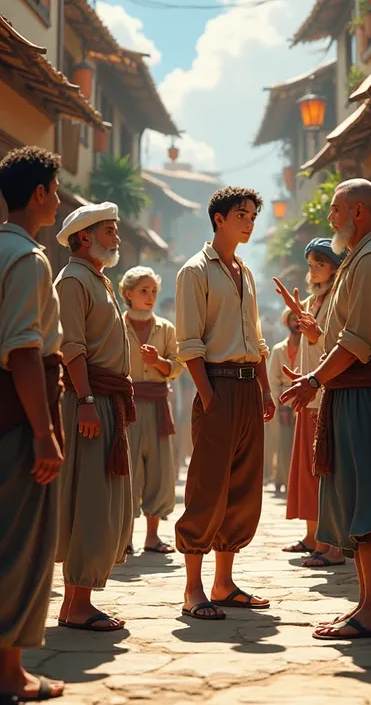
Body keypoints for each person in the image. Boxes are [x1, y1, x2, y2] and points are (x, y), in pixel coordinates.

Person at [281, 180, 371, 641]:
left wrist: (314, 379)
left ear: (357, 211)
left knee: (368, 502)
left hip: (366, 394)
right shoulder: (359, 257)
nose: (329, 218)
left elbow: (356, 342)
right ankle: (365, 606)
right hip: (350, 392)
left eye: (335, 210)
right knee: (357, 500)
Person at [175, 186, 275, 620]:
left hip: (250, 385)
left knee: (244, 487)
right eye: (241, 214)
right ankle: (193, 589)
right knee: (207, 486)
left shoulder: (245, 271)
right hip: (216, 384)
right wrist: (209, 395)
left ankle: (224, 582)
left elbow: (256, 337)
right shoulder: (194, 271)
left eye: (253, 215)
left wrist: (266, 388)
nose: (249, 222)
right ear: (218, 219)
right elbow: (190, 343)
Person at [0, 147, 65, 702]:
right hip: (15, 420)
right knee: (19, 544)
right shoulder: (27, 259)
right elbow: (24, 352)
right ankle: (10, 673)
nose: (60, 198)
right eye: (55, 188)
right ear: (39, 193)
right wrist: (44, 433)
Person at [55, 202, 134, 632]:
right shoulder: (72, 280)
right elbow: (72, 348)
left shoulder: (96, 279)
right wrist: (85, 400)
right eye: (109, 229)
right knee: (90, 500)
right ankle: (79, 604)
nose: (116, 237)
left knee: (101, 500)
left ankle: (74, 605)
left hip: (105, 400)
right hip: (89, 401)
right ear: (84, 237)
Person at [274, 238, 345, 568]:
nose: (313, 271)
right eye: (311, 265)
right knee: (307, 468)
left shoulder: (335, 299)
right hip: (309, 394)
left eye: (320, 264)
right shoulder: (316, 301)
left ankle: (330, 543)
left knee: (323, 469)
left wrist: (315, 335)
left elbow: (336, 343)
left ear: (334, 267)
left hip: (324, 394)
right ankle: (312, 535)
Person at [119, 266, 183, 555]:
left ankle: (153, 536)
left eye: (154, 291)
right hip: (126, 408)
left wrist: (158, 362)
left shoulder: (166, 329)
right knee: (126, 469)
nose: (150, 296)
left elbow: (177, 366)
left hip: (158, 406)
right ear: (128, 293)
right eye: (143, 291)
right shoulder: (116, 326)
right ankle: (125, 536)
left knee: (158, 469)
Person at [268, 309, 300, 494]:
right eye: (292, 319)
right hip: (285, 402)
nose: (296, 322)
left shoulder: (309, 345)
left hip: (307, 399)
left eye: (298, 319)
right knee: (285, 443)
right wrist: (277, 403)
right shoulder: (279, 349)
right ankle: (284, 479)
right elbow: (273, 379)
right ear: (286, 323)